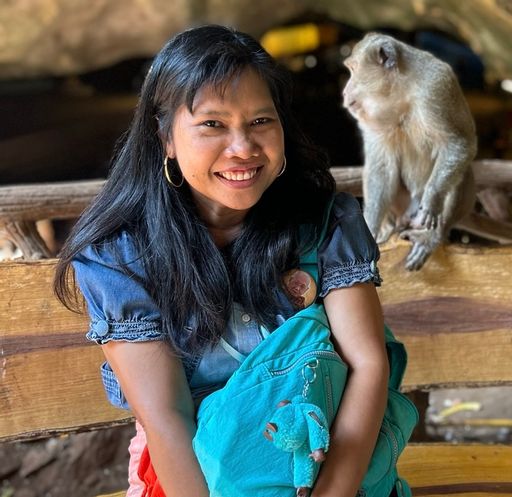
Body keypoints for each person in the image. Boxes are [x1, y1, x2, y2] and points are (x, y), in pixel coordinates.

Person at [54, 25, 389, 497]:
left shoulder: (325, 223)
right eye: (213, 124)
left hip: (333, 469)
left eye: (260, 122)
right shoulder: (119, 256)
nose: (243, 148)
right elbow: (167, 417)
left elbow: (368, 366)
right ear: (165, 137)